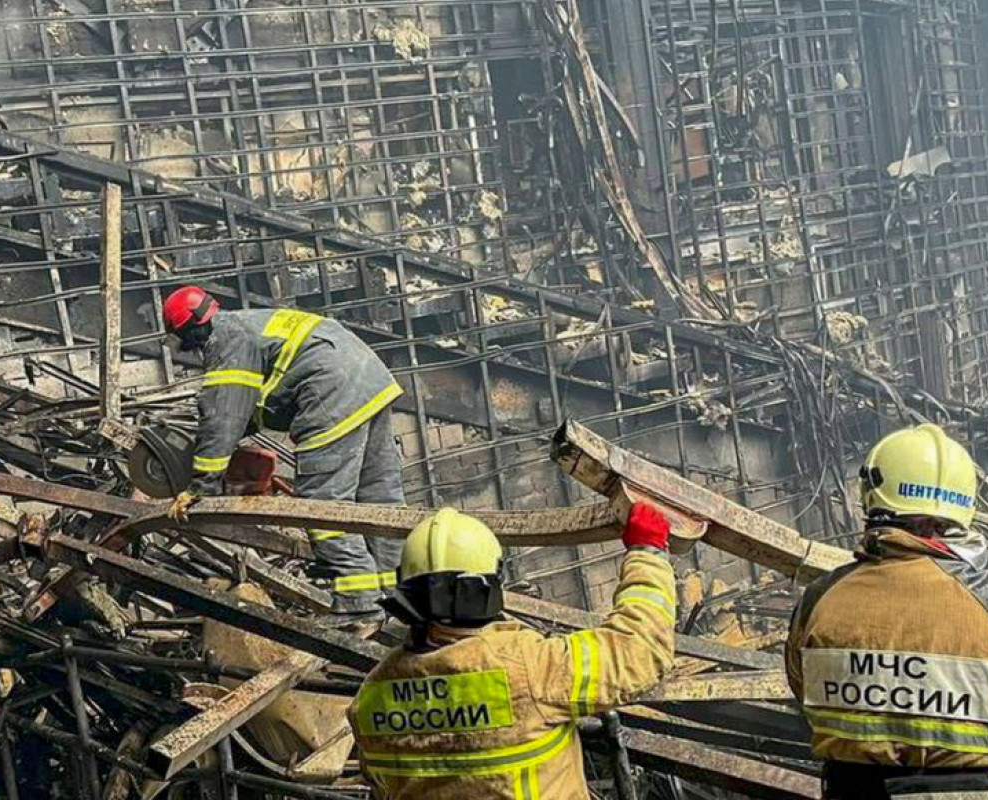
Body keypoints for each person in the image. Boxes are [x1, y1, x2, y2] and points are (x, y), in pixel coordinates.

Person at [785, 423, 988, 800]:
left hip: (853, 789)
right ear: (960, 507)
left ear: (872, 498)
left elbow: (804, 691)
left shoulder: (820, 599)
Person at [347, 504, 676, 799]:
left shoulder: (371, 697)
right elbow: (640, 651)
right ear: (487, 588)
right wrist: (647, 552)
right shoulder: (527, 668)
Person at [161, 285, 405, 616]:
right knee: (379, 500)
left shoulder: (226, 341)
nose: (190, 350)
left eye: (185, 341)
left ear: (190, 330)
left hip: (332, 389)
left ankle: (359, 605)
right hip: (370, 378)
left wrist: (200, 488)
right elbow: (253, 405)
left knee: (322, 504)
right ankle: (394, 599)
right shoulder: (250, 325)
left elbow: (225, 415)